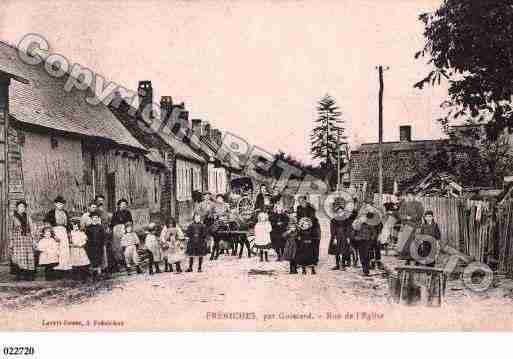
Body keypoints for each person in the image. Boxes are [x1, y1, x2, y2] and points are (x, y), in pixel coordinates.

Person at [44, 196, 72, 277]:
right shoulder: (51, 213)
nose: (60, 205)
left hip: (63, 232)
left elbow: (68, 224)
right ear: (55, 204)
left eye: (62, 204)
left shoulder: (65, 212)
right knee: (55, 251)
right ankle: (54, 272)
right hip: (55, 231)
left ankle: (64, 270)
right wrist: (53, 235)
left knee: (64, 251)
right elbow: (47, 225)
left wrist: (69, 233)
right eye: (58, 204)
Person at [10, 200, 35, 281]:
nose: (22, 208)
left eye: (23, 207)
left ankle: (28, 275)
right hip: (17, 239)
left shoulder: (28, 217)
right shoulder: (13, 217)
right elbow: (10, 230)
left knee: (28, 256)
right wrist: (11, 240)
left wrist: (32, 237)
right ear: (17, 208)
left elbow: (31, 227)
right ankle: (18, 275)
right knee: (18, 256)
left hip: (26, 238)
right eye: (20, 207)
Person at [398, 190, 424, 264]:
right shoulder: (404, 204)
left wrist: (411, 218)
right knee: (407, 243)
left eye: (410, 195)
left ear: (413, 196)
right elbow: (400, 214)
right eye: (408, 196)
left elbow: (420, 214)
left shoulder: (418, 204)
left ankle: (417, 259)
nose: (409, 197)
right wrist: (405, 217)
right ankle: (408, 259)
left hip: (416, 226)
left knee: (416, 242)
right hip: (407, 226)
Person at [352, 212, 379, 276]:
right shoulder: (357, 224)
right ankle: (365, 270)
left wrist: (371, 239)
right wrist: (355, 237)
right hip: (360, 241)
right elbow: (353, 232)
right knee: (361, 256)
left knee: (366, 256)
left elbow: (374, 233)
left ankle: (366, 270)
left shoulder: (370, 224)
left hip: (367, 241)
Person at [110, 199, 133, 273]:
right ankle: (119, 264)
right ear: (119, 205)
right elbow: (112, 224)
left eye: (125, 204)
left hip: (126, 231)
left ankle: (127, 263)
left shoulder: (128, 213)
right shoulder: (115, 213)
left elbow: (130, 222)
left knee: (126, 247)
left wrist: (128, 228)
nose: (124, 206)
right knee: (118, 248)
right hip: (117, 232)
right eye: (122, 204)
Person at [85, 212, 106, 281]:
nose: (95, 219)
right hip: (91, 246)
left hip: (99, 246)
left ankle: (99, 274)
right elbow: (86, 237)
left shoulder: (100, 227)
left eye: (96, 218)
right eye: (94, 218)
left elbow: (103, 237)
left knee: (99, 259)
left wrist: (103, 244)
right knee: (92, 259)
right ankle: (93, 274)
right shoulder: (88, 227)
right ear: (91, 219)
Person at [210, 194, 229, 260]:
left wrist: (224, 216)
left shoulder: (226, 205)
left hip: (224, 221)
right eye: (218, 198)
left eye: (221, 198)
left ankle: (223, 245)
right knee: (215, 235)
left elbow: (228, 213)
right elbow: (211, 214)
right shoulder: (214, 206)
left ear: (223, 199)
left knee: (224, 233)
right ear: (216, 199)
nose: (219, 200)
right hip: (216, 222)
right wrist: (215, 216)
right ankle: (215, 251)